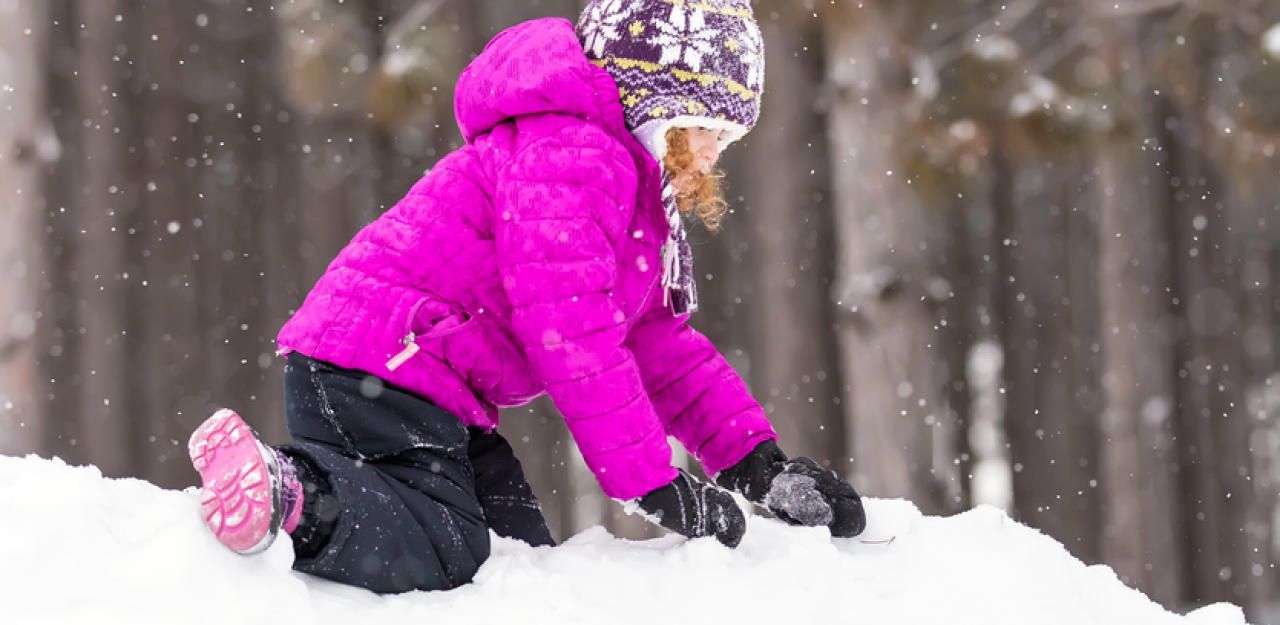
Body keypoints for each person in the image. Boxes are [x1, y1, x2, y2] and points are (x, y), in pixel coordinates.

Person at [186, 0, 865, 595]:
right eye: (706, 130)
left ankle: (299, 490)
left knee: (518, 560)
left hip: (421, 386)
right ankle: (290, 491)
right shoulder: (575, 156)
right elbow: (572, 331)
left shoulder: (618, 187)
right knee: (452, 548)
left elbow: (658, 347)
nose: (714, 155)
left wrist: (756, 464)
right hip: (375, 369)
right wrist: (652, 481)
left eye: (727, 137)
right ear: (658, 108)